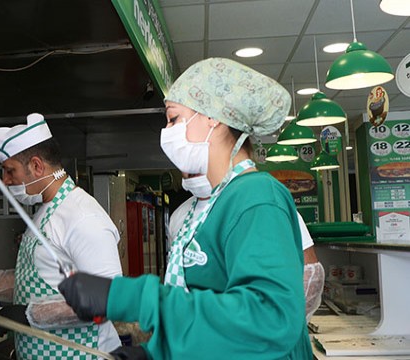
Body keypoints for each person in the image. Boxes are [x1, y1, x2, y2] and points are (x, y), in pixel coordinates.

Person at [59, 58, 313, 359]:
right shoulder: (202, 207)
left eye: (173, 118)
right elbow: (206, 310)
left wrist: (126, 296)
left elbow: (270, 318)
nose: (167, 132)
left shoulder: (256, 196)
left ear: (212, 118)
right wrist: (156, 353)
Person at [0, 113, 123, 359]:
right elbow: (39, 280)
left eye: (9, 170)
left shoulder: (82, 217)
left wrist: (29, 315)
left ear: (36, 166)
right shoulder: (46, 210)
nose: (5, 180)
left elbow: (108, 299)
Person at [171, 173, 325, 324]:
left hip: (257, 340)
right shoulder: (178, 216)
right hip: (196, 337)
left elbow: (310, 276)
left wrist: (279, 333)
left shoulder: (263, 201)